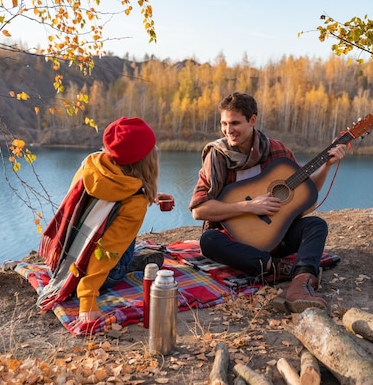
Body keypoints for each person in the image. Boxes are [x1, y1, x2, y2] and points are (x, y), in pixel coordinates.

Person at [189, 92, 347, 313]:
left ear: (252, 120)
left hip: (276, 235)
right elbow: (199, 210)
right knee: (209, 240)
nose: (228, 130)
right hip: (234, 239)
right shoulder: (217, 156)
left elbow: (305, 191)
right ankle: (279, 268)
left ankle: (300, 285)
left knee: (316, 225)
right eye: (224, 123)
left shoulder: (277, 151)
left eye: (235, 123)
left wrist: (327, 165)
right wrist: (249, 206)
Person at [52, 117, 172, 330]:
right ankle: (131, 265)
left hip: (64, 259)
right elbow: (107, 249)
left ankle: (133, 262)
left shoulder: (91, 165)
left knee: (118, 229)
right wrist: (87, 300)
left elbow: (98, 207)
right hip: (93, 275)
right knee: (122, 241)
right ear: (147, 160)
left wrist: (149, 196)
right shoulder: (134, 202)